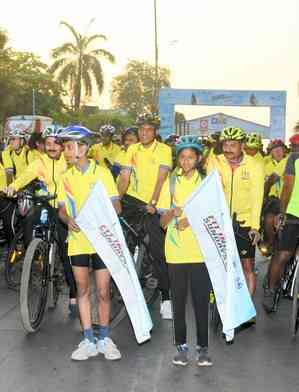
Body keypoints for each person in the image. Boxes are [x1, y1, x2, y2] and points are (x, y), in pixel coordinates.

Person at [57, 125, 122, 361]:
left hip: (101, 241)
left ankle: (105, 338)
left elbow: (117, 206)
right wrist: (68, 219)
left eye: (69, 147)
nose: (66, 151)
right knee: (82, 290)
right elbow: (62, 210)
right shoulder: (65, 176)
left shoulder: (103, 173)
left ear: (83, 148)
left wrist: (101, 214)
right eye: (65, 147)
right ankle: (88, 339)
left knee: (104, 292)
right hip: (77, 242)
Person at [4, 125, 77, 316]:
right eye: (48, 143)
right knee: (28, 219)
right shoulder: (39, 161)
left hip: (63, 208)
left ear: (62, 146)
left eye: (56, 144)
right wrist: (13, 186)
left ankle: (74, 293)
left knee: (66, 251)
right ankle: (33, 255)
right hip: (45, 203)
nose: (52, 147)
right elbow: (26, 176)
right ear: (44, 145)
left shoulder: (68, 161)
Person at [161, 135, 212, 367]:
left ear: (198, 158)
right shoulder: (171, 182)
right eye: (182, 157)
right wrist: (173, 212)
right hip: (175, 252)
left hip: (201, 252)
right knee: (178, 302)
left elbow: (212, 215)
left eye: (190, 157)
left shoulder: (207, 182)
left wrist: (190, 218)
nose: (186, 161)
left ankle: (203, 348)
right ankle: (181, 348)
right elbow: (162, 222)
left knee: (201, 302)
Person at [117, 113, 173, 319]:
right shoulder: (132, 149)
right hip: (134, 199)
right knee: (122, 241)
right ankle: (125, 283)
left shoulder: (164, 150)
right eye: (141, 129)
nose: (144, 133)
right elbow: (124, 176)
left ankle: (166, 298)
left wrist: (154, 202)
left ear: (155, 131)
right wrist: (116, 200)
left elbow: (161, 178)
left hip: (155, 203)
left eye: (149, 129)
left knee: (158, 251)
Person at [207, 127, 264, 302]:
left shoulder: (255, 166)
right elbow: (210, 190)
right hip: (221, 220)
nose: (228, 149)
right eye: (225, 144)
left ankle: (247, 308)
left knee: (247, 265)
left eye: (233, 145)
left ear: (242, 146)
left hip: (244, 222)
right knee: (218, 262)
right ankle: (217, 296)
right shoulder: (215, 162)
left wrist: (255, 227)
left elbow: (257, 199)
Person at [263, 146, 299, 312]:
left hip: (293, 213)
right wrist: (282, 213)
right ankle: (271, 290)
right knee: (283, 253)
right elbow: (287, 188)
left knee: (283, 254)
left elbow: (287, 188)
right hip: (294, 212)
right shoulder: (294, 158)